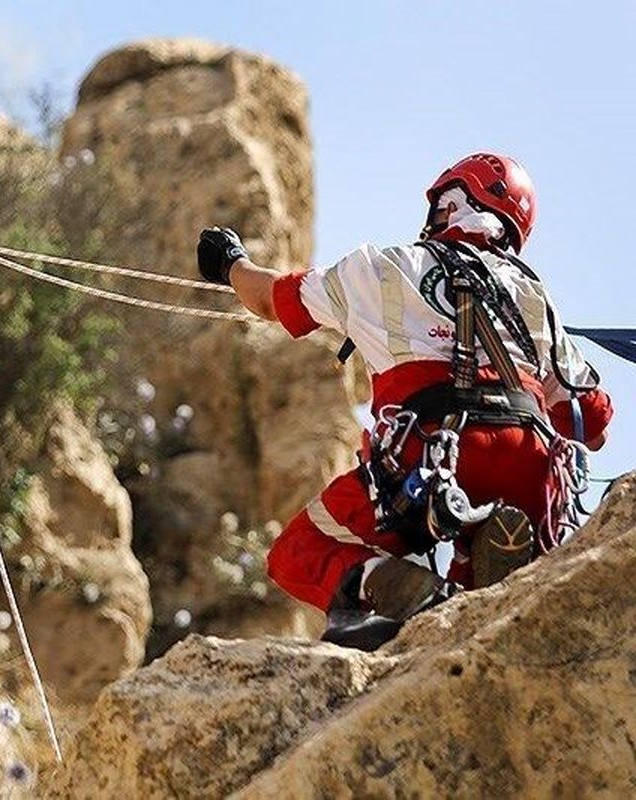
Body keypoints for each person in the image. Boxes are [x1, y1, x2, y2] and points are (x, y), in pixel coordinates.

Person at [196, 152, 613, 650]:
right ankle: (472, 580)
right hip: (534, 468)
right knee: (480, 582)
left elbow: (269, 298)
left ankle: (395, 589)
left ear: (449, 205)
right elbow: (593, 423)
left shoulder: (383, 268)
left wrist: (230, 262)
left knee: (299, 551)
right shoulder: (534, 300)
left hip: (435, 454)